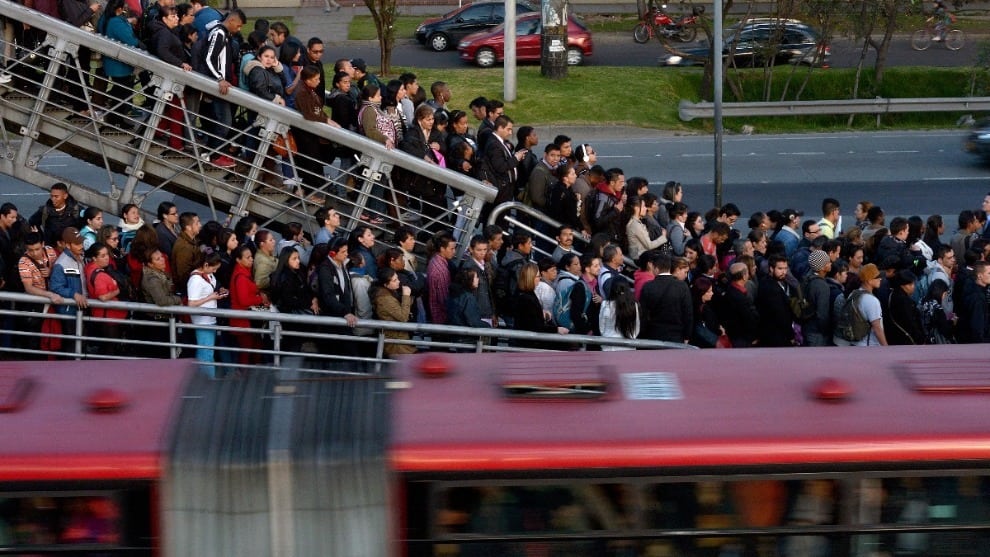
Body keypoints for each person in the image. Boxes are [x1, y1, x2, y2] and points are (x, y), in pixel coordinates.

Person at [196, 9, 246, 169]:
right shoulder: (219, 34)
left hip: (220, 84)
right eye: (238, 26)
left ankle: (212, 152)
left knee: (222, 121)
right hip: (217, 85)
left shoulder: (222, 33)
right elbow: (209, 58)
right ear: (231, 21)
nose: (238, 30)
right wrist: (220, 79)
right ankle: (213, 154)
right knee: (224, 121)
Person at [269, 246, 318, 353]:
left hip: (295, 316)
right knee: (292, 346)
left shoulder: (297, 272)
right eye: (294, 259)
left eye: (298, 258)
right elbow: (288, 301)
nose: (298, 261)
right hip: (290, 318)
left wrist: (312, 299)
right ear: (286, 260)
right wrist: (309, 302)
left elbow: (305, 290)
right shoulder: (285, 277)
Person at [186, 251, 226, 377]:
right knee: (206, 353)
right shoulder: (195, 280)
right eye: (213, 269)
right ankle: (208, 381)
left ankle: (203, 379)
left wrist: (219, 291)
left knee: (206, 352)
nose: (214, 272)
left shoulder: (207, 275)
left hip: (209, 319)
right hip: (202, 321)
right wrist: (210, 297)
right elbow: (191, 303)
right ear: (206, 265)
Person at [84, 243, 128, 355]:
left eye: (107, 254)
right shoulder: (100, 276)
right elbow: (102, 297)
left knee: (108, 347)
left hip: (105, 316)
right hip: (109, 317)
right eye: (103, 256)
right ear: (94, 258)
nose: (107, 257)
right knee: (110, 348)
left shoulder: (90, 268)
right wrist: (117, 291)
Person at [639, 253, 692, 344]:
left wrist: (641, 335)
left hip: (653, 336)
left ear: (656, 268)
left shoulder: (648, 287)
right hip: (676, 336)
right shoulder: (682, 286)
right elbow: (688, 313)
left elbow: (642, 315)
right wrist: (687, 336)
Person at [512, 262, 568, 347]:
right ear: (531, 278)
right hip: (528, 345)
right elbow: (534, 325)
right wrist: (556, 329)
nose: (540, 278)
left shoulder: (524, 294)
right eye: (538, 276)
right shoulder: (526, 298)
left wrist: (542, 314)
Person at [138, 248, 181, 358]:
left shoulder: (160, 273)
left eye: (162, 257)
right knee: (162, 354)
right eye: (158, 259)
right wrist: (178, 299)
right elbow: (162, 300)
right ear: (150, 264)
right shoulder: (152, 279)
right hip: (159, 321)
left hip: (164, 318)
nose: (162, 260)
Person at [228, 244, 267, 365]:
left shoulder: (244, 273)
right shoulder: (241, 277)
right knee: (247, 352)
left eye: (251, 256)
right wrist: (260, 298)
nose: (251, 259)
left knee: (252, 349)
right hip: (243, 322)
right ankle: (244, 377)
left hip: (246, 320)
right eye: (248, 257)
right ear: (238, 260)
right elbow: (244, 300)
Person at [834, 263, 888, 347]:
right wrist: (886, 347)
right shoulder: (871, 300)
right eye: (877, 277)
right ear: (869, 280)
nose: (880, 279)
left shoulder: (854, 293)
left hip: (855, 343)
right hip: (869, 345)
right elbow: (877, 327)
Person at [371, 267, 416, 355]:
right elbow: (403, 317)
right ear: (386, 285)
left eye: (397, 278)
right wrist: (406, 296)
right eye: (394, 280)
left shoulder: (389, 293)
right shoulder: (385, 299)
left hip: (399, 340)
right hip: (396, 344)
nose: (398, 281)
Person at [29, 183, 82, 249]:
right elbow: (32, 222)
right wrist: (41, 238)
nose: (53, 199)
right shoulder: (44, 211)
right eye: (51, 196)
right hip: (52, 249)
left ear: (65, 196)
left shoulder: (77, 210)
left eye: (56, 196)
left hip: (72, 249)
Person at [885, 269, 926, 345]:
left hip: (896, 337)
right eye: (910, 285)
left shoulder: (893, 294)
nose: (913, 287)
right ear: (902, 285)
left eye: (913, 284)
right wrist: (920, 339)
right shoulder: (903, 300)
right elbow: (910, 321)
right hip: (905, 339)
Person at [622, 195, 668, 260]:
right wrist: (663, 237)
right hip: (640, 258)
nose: (646, 208)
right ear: (636, 208)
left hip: (642, 255)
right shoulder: (635, 225)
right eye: (643, 206)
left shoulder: (635, 222)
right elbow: (649, 245)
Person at [599, 280, 639, 350]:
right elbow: (636, 327)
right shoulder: (634, 305)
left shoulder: (605, 304)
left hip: (608, 343)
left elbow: (601, 326)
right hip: (629, 344)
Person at [426, 233, 456, 325]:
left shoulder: (434, 260)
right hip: (441, 318)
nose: (454, 251)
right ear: (442, 249)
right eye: (451, 249)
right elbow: (444, 299)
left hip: (436, 315)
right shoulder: (441, 270)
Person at [690, 275, 723, 348]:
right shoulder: (703, 309)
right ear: (702, 293)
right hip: (706, 344)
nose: (712, 293)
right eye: (709, 291)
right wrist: (719, 332)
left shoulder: (693, 305)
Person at [252, 230, 278, 294]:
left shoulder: (265, 254)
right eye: (271, 240)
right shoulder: (263, 261)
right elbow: (259, 283)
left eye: (273, 239)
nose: (274, 241)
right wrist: (275, 279)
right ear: (262, 244)